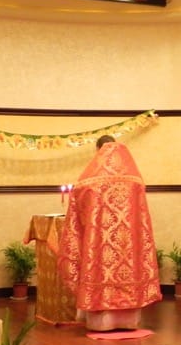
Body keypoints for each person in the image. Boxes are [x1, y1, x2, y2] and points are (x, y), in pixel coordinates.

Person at [58, 135, 161, 331]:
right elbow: (142, 219)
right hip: (128, 246)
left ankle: (102, 324)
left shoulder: (89, 181)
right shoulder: (134, 181)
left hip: (99, 245)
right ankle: (128, 322)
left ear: (99, 151)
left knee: (100, 270)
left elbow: (77, 208)